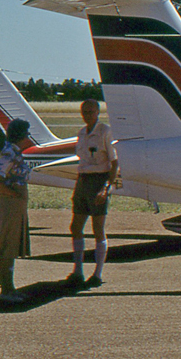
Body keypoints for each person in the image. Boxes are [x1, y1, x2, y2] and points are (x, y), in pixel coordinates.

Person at [66, 99, 118, 287]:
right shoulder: (82, 133)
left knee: (98, 229)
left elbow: (114, 162)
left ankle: (97, 273)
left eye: (90, 112)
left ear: (97, 112)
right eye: (84, 112)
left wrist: (106, 188)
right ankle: (78, 270)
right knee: (76, 226)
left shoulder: (105, 131)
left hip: (99, 179)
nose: (87, 115)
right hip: (83, 179)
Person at [0, 119, 33, 304]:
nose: (29, 136)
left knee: (10, 247)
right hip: (10, 204)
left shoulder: (15, 153)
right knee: (5, 247)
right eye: (26, 133)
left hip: (15, 204)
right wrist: (13, 194)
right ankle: (6, 290)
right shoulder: (9, 153)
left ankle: (9, 288)